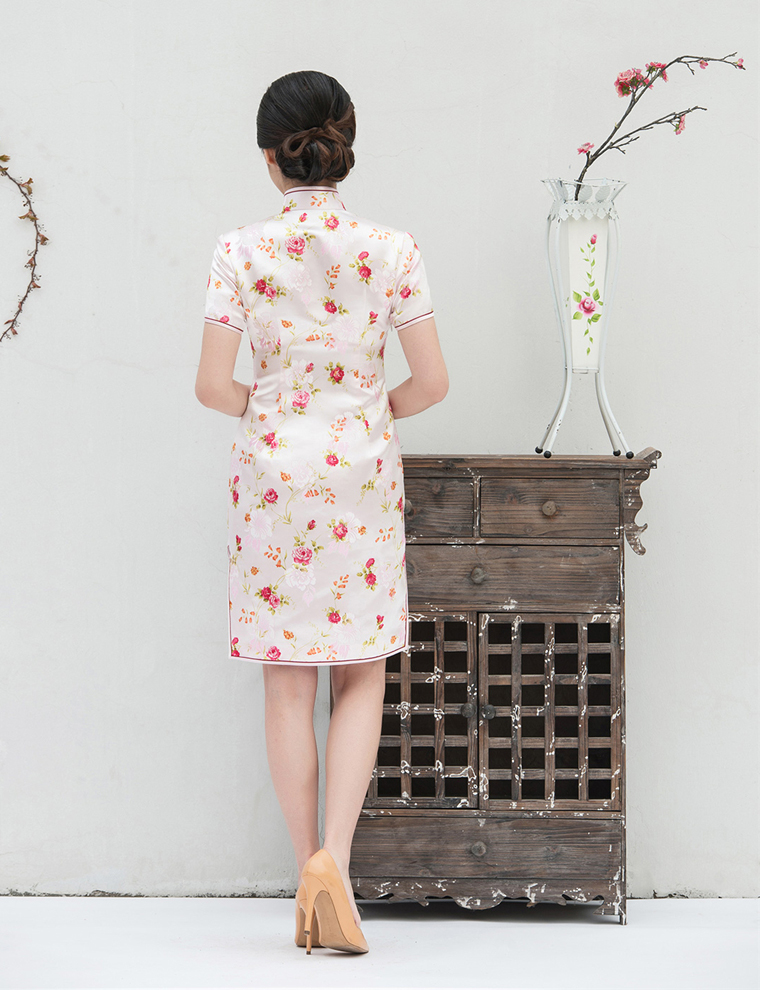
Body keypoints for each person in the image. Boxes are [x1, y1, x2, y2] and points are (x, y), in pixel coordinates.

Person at [195, 70, 448, 954]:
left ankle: (308, 869)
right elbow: (433, 382)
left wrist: (276, 408)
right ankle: (333, 863)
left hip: (274, 480)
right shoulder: (393, 248)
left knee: (286, 677)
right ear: (344, 141)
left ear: (271, 156)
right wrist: (367, 410)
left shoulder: (239, 251)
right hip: (361, 477)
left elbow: (211, 386)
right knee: (361, 670)